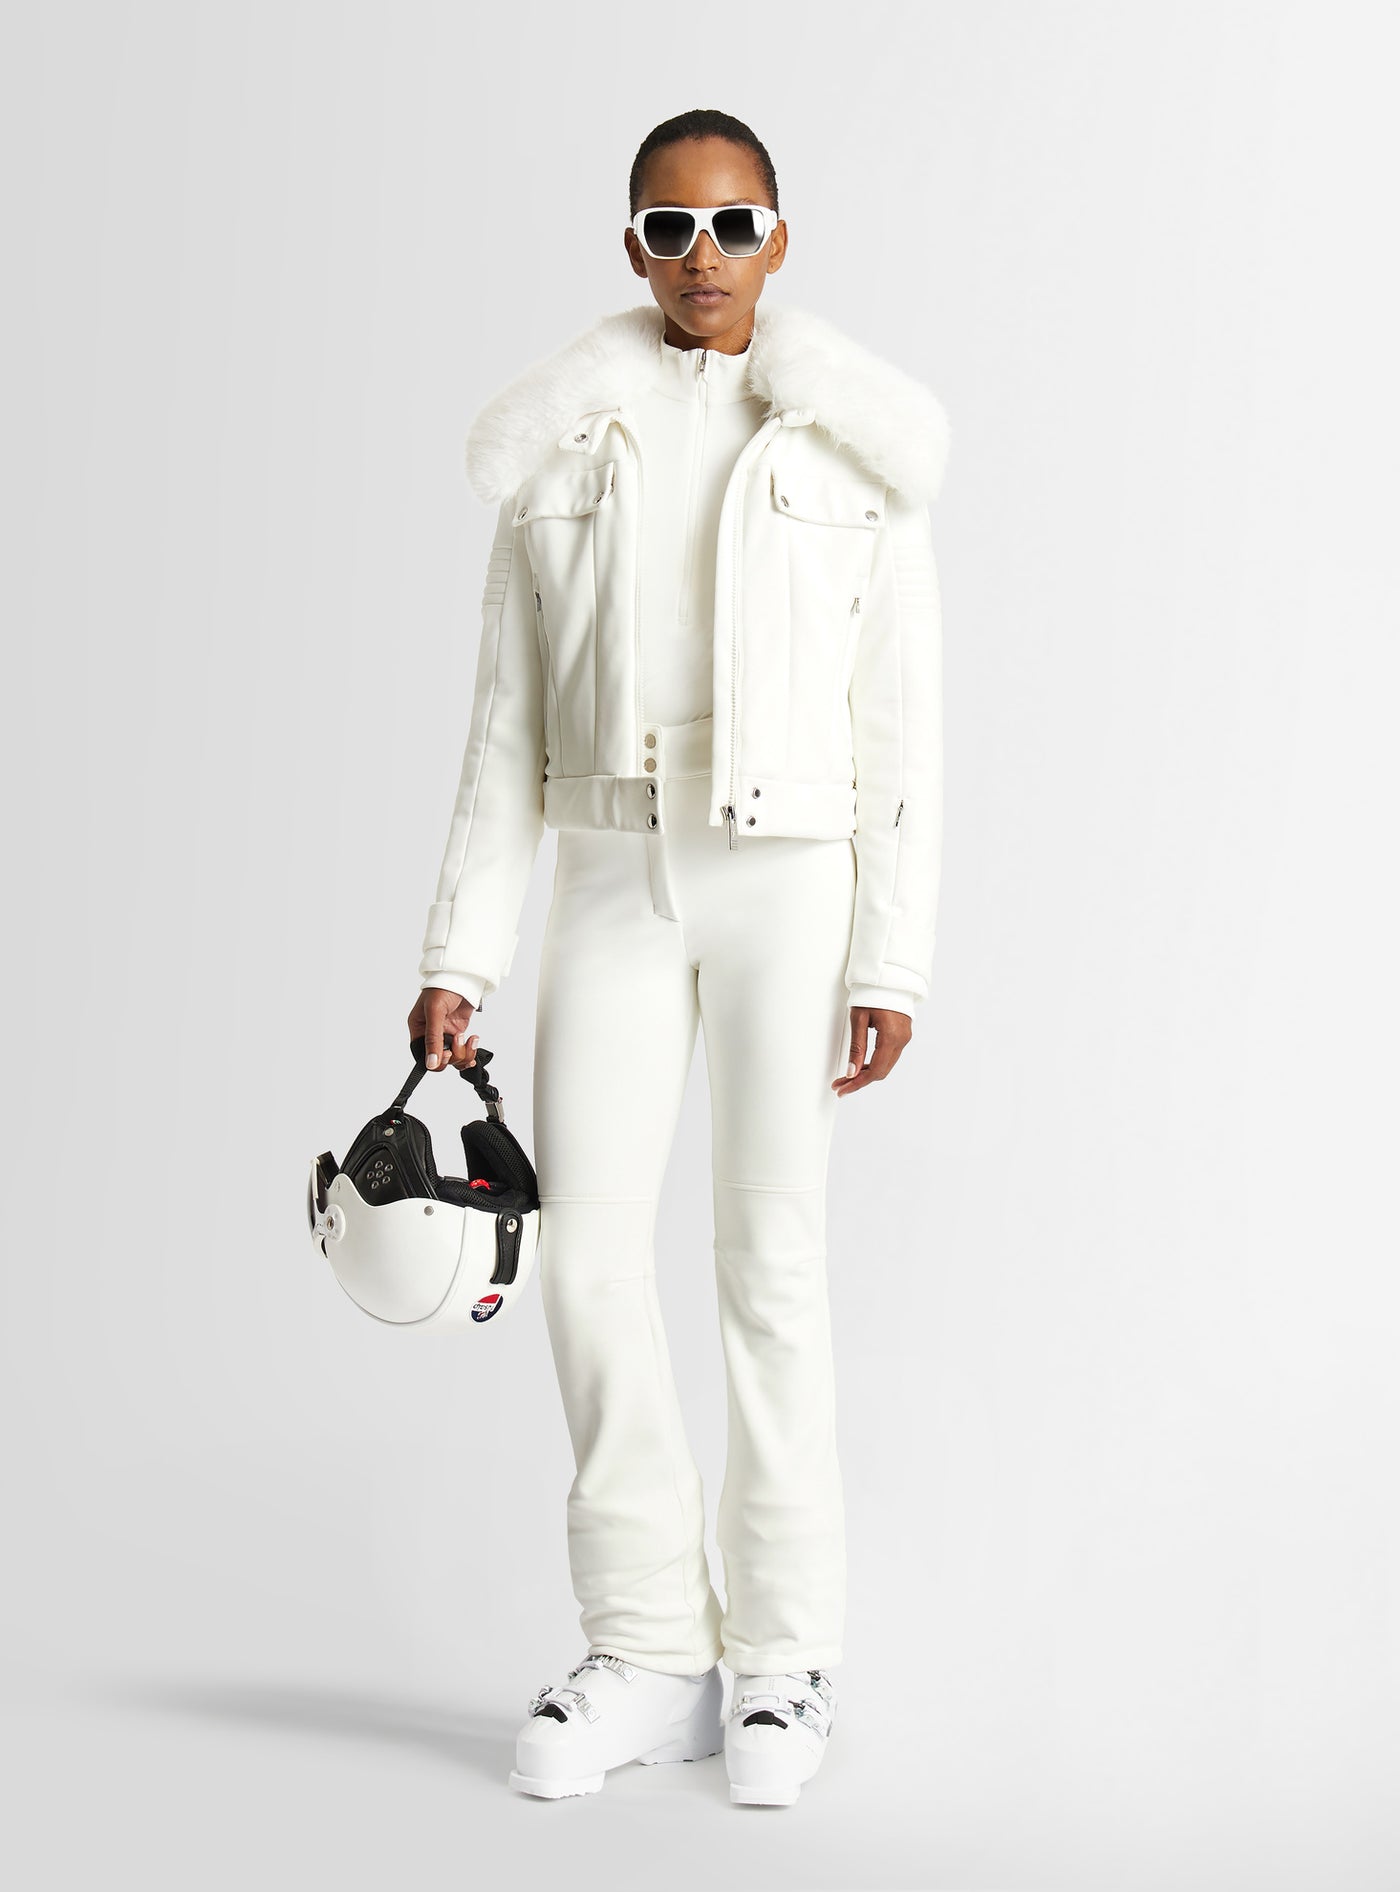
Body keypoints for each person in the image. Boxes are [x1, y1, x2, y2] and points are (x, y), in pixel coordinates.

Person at [406, 108, 950, 1807]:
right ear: (631, 244)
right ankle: (648, 1649)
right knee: (582, 1257)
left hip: (788, 883)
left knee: (770, 1265)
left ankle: (782, 1661)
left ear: (779, 238)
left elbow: (902, 726)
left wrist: (890, 960)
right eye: (668, 227)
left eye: (732, 224)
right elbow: (501, 728)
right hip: (610, 875)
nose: (701, 256)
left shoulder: (851, 447)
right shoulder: (564, 450)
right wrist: (460, 950)